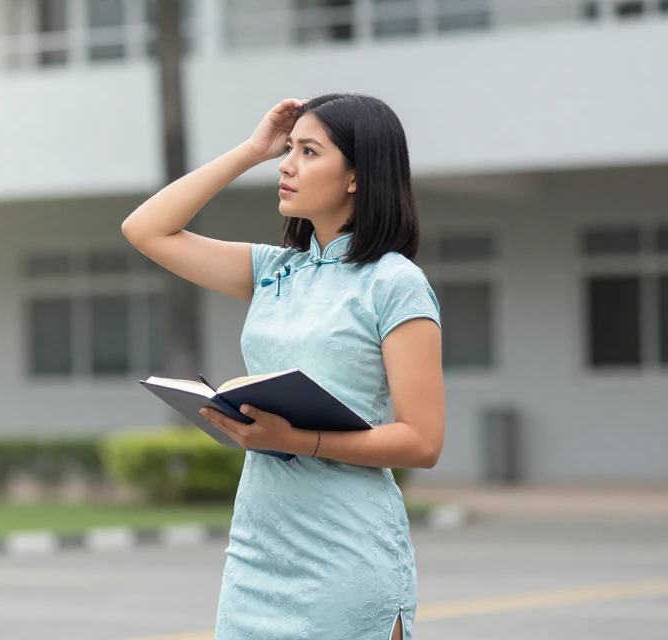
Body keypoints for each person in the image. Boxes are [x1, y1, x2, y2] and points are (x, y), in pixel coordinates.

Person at [120, 93, 445, 639]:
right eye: (288, 149)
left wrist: (297, 440)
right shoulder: (275, 271)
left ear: (356, 177)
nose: (286, 165)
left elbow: (422, 442)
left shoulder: (394, 283)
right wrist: (252, 150)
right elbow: (145, 229)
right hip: (257, 551)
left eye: (309, 152)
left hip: (346, 554)